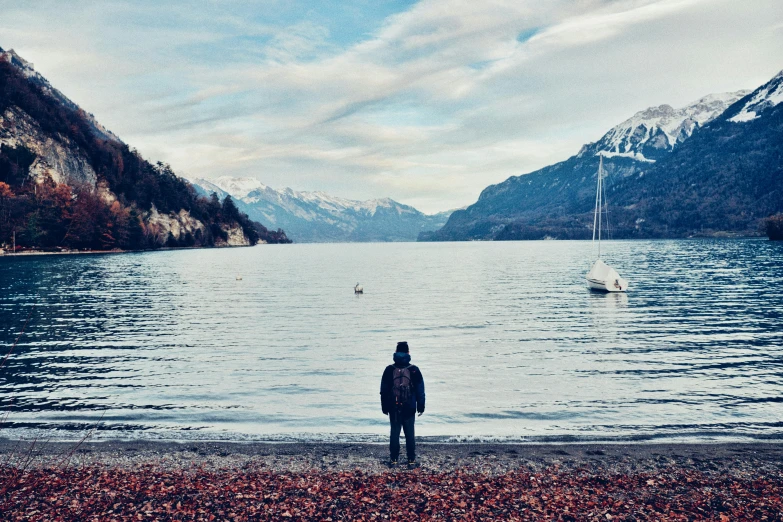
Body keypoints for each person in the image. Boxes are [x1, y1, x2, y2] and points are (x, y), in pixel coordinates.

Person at [380, 341, 425, 469]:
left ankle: (394, 460)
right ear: (408, 353)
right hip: (409, 407)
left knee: (394, 433)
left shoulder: (389, 370)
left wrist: (384, 407)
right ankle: (411, 461)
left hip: (393, 407)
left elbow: (383, 390)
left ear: (396, 352)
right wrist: (421, 406)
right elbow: (420, 390)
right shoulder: (414, 370)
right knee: (409, 434)